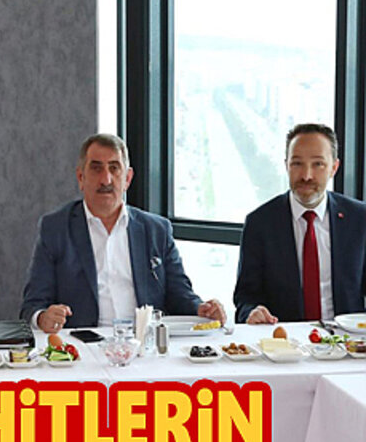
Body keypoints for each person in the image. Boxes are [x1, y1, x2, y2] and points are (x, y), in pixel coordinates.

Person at [20, 133, 226, 333]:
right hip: (83, 345)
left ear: (127, 178)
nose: (106, 179)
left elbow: (180, 294)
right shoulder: (55, 228)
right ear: (81, 177)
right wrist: (43, 318)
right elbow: (32, 304)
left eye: (114, 168)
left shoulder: (156, 230)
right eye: (96, 168)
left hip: (144, 343)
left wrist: (202, 309)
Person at [234, 123, 366, 324]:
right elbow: (245, 297)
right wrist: (252, 312)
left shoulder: (359, 219)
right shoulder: (260, 223)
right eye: (297, 164)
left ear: (334, 167)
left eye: (318, 164)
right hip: (284, 338)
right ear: (286, 165)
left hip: (347, 338)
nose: (306, 176)